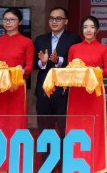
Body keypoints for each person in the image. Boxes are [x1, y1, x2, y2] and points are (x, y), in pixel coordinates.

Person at [0, 8, 34, 173]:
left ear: (19, 22)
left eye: (11, 19)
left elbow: (29, 66)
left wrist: (21, 71)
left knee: (16, 125)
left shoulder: (26, 42)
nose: (8, 22)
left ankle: (16, 168)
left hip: (16, 88)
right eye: (5, 19)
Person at [66, 15, 107, 173]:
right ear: (81, 30)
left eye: (92, 27)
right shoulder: (74, 48)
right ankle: (76, 168)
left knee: (94, 128)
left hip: (94, 92)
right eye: (85, 27)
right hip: (77, 93)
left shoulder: (103, 49)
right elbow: (69, 69)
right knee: (75, 127)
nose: (88, 30)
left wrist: (93, 71)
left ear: (97, 30)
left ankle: (92, 168)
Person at [33, 7, 81, 143]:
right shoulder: (40, 39)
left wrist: (58, 60)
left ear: (66, 21)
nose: (54, 21)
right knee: (44, 126)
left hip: (63, 91)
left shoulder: (74, 39)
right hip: (44, 90)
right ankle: (46, 155)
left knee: (64, 126)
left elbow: (76, 63)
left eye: (58, 19)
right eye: (52, 18)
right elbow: (33, 63)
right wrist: (42, 62)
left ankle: (64, 155)